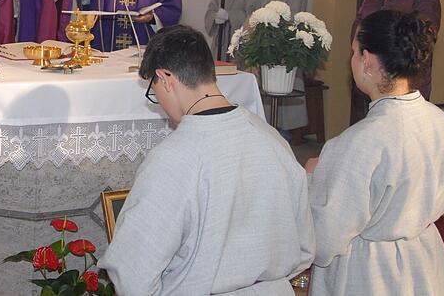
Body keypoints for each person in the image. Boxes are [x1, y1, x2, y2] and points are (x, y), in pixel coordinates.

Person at [98, 25, 314, 295]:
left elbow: (132, 272)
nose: (159, 102)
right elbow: (304, 246)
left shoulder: (172, 159)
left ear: (165, 78)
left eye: (154, 90)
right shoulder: (272, 140)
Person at [305, 10, 444, 296]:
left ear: (367, 60)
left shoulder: (360, 142)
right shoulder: (442, 123)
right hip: (424, 261)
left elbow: (325, 237)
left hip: (370, 272)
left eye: (353, 52)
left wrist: (313, 179)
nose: (351, 60)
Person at [350, 0, 441, 123]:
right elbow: (360, 20)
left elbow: (426, 33)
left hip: (402, 71)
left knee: (401, 124)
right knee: (371, 124)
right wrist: (358, 44)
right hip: (370, 65)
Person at [252, 0, 309, 132]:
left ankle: (284, 133)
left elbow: (294, 15)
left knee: (282, 87)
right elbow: (254, 8)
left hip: (283, 44)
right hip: (263, 41)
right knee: (265, 89)